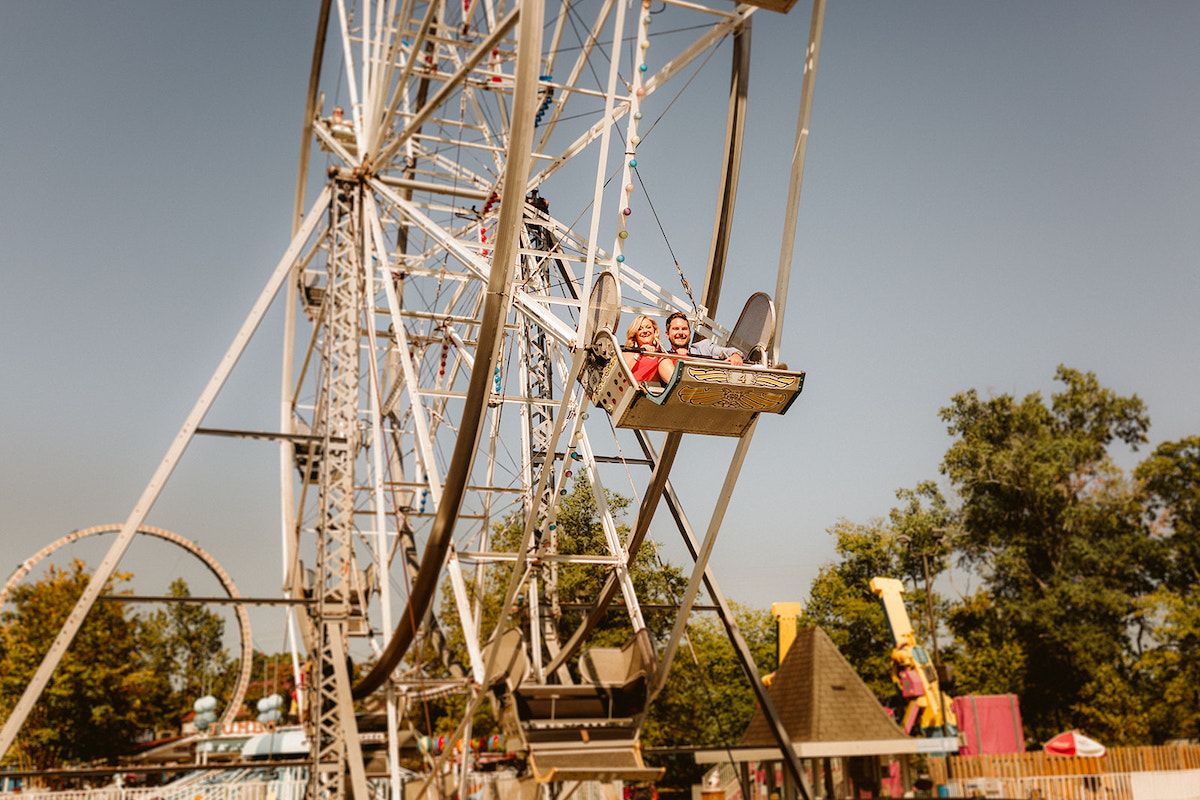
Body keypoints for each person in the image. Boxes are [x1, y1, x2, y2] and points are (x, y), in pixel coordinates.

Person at [663, 311, 743, 366]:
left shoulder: (704, 347)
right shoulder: (665, 357)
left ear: (690, 333)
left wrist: (736, 355)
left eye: (684, 329)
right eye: (676, 329)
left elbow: (728, 351)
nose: (680, 333)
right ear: (667, 334)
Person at [622, 315, 671, 382]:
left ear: (654, 331)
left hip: (654, 389)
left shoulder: (662, 356)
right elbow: (622, 374)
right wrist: (639, 353)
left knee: (665, 361)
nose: (645, 331)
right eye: (640, 329)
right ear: (635, 334)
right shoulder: (628, 353)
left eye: (648, 327)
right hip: (633, 388)